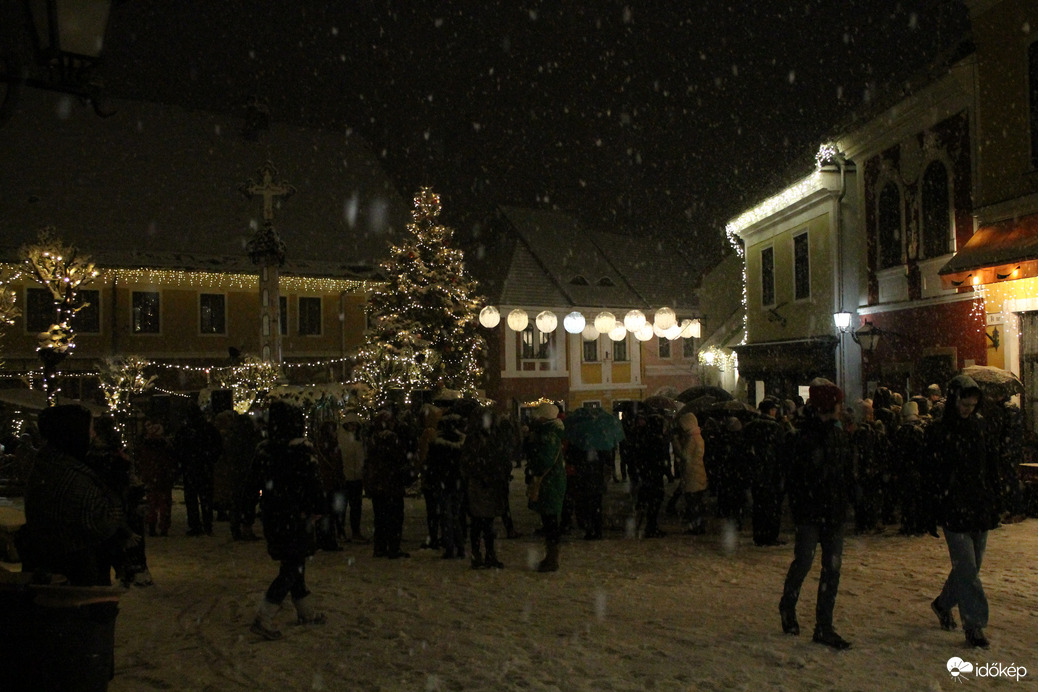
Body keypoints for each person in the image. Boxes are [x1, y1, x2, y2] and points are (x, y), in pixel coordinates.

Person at [779, 381, 855, 650]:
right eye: (837, 404)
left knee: (831, 568)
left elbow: (844, 473)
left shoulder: (836, 435)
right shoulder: (805, 438)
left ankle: (824, 625)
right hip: (812, 512)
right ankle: (789, 606)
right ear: (828, 406)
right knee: (805, 561)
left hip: (831, 512)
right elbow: (797, 478)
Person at [927, 375, 1000, 649]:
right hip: (954, 508)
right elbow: (932, 474)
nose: (969, 409)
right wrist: (933, 508)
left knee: (970, 568)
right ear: (954, 399)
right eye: (965, 404)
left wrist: (995, 498)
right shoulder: (940, 430)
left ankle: (943, 604)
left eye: (972, 405)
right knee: (967, 568)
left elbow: (989, 464)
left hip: (979, 506)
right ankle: (975, 625)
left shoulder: (980, 426)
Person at [251, 401, 328, 640]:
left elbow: (253, 485)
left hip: (275, 517)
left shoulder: (265, 452)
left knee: (294, 562)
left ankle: (306, 611)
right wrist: (318, 508)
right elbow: (313, 485)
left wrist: (251, 507)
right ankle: (265, 615)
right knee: (293, 565)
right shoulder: (301, 452)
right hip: (297, 517)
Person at [22, 404, 122, 586]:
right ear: (74, 433)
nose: (93, 436)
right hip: (74, 574)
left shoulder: (48, 464)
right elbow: (102, 522)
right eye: (90, 430)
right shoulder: (72, 478)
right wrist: (114, 490)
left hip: (52, 565)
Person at [461, 407, 512, 568]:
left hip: (489, 483)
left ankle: (487, 555)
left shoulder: (490, 437)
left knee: (486, 523)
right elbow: (469, 462)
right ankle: (479, 555)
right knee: (479, 522)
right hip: (480, 483)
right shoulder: (476, 439)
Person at [365, 409, 413, 559]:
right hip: (392, 485)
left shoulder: (373, 440)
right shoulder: (393, 439)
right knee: (394, 517)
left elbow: (369, 463)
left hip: (379, 485)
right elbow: (399, 459)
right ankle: (393, 547)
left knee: (380, 518)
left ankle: (380, 547)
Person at [526, 402, 566, 572]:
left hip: (549, 483)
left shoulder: (548, 436)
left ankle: (552, 559)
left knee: (550, 522)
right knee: (550, 521)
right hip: (551, 483)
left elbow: (544, 461)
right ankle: (550, 556)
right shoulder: (549, 434)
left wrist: (533, 463)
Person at [173, 404, 221, 536]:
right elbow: (217, 446)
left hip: (191, 468)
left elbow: (177, 449)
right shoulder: (208, 429)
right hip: (203, 467)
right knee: (205, 497)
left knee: (192, 498)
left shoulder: (185, 431)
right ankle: (206, 524)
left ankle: (196, 525)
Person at [744, 399, 786, 546]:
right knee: (772, 506)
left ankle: (759, 534)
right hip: (771, 472)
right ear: (771, 411)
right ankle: (770, 535)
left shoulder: (751, 426)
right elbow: (781, 452)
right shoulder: (776, 428)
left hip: (757, 473)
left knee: (759, 505)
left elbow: (746, 450)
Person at [136, 418, 177, 538]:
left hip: (152, 477)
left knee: (152, 503)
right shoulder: (165, 446)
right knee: (163, 504)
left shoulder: (146, 446)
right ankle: (163, 527)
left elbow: (142, 461)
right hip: (162, 478)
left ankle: (153, 525)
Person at [672, 411, 708, 535]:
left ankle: (696, 527)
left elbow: (685, 456)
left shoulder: (692, 438)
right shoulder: (697, 436)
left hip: (692, 475)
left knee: (693, 503)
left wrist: (676, 443)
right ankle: (699, 525)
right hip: (699, 473)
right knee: (697, 503)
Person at [336, 412, 368, 543]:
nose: (353, 427)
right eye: (351, 425)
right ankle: (340, 531)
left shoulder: (359, 439)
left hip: (356, 478)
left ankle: (355, 531)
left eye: (355, 425)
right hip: (345, 477)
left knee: (356, 507)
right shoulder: (341, 439)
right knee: (342, 507)